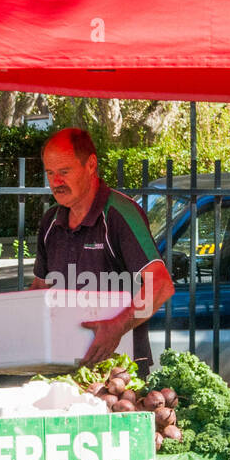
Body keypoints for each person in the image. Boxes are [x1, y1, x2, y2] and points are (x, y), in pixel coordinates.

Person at [29, 128, 174, 373]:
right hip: (63, 365)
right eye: (50, 173)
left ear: (91, 165)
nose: (56, 182)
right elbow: (39, 291)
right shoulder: (50, 221)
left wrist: (117, 325)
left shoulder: (119, 214)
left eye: (64, 172)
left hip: (120, 368)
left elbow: (161, 286)